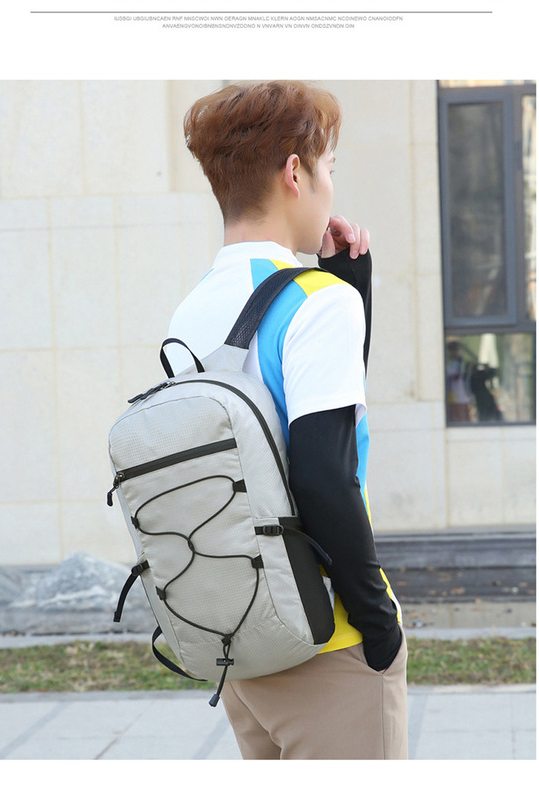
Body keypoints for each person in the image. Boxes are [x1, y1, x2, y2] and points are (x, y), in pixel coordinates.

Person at [167, 80, 407, 760]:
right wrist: (379, 626)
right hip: (330, 644)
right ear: (294, 173)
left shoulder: (193, 309)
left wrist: (350, 284)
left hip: (243, 638)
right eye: (329, 165)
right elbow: (325, 473)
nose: (331, 186)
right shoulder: (316, 302)